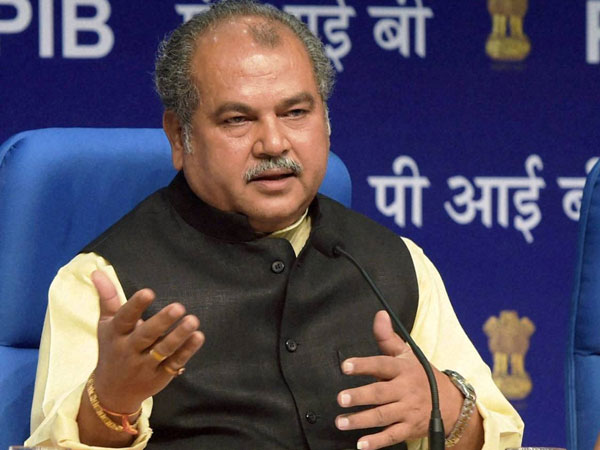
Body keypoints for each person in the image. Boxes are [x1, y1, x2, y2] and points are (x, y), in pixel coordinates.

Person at [25, 1, 523, 449]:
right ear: (179, 136)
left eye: (296, 112)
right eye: (238, 120)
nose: (274, 143)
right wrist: (112, 404)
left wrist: (448, 411)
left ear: (326, 121)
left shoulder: (395, 264)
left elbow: (497, 434)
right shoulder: (106, 282)